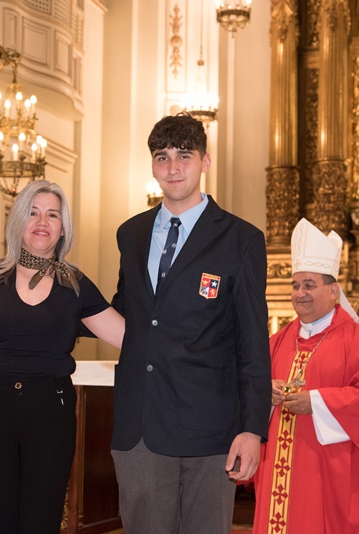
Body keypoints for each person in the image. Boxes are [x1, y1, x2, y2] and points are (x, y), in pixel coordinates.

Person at [110, 112, 271, 534]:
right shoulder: (131, 234)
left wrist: (252, 429)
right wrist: (61, 300)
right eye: (162, 157)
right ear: (152, 166)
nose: (173, 167)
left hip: (211, 429)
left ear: (205, 161)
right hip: (141, 426)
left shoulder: (241, 239)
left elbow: (254, 343)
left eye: (184, 155)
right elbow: (126, 313)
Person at [0, 180, 125, 533]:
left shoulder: (75, 285)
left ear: (62, 228)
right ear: (18, 221)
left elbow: (130, 338)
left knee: (42, 520)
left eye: (52, 215)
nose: (42, 222)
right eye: (33, 213)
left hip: (51, 413)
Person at [252, 218, 359, 533]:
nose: (300, 293)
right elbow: (250, 389)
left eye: (309, 285)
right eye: (295, 286)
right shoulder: (277, 341)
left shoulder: (357, 341)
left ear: (333, 291)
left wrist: (316, 402)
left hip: (331, 472)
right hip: (279, 473)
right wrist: (265, 392)